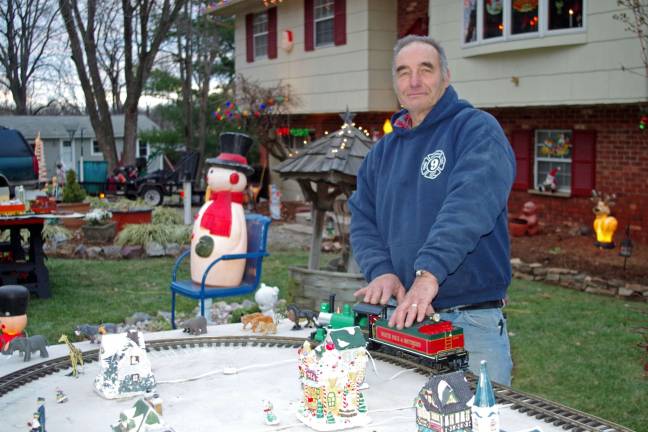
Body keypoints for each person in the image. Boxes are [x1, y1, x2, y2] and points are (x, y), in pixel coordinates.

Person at [349, 35, 515, 385]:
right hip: (402, 320)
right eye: (403, 72)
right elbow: (363, 218)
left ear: (446, 76)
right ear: (394, 82)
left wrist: (429, 273)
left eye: (426, 69)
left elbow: (470, 205)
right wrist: (381, 270)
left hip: (470, 323)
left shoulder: (475, 130)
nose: (414, 81)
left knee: (479, 419)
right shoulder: (381, 153)